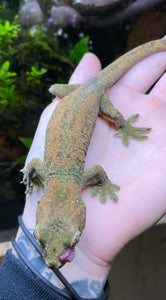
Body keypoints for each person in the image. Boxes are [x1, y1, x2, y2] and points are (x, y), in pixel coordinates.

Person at [0, 43, 166, 299]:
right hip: (77, 96)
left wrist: (122, 129)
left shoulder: (77, 181)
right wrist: (30, 175)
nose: (52, 259)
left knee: (106, 110)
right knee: (56, 90)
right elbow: (34, 166)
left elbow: (98, 172)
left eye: (42, 240)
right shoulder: (47, 176)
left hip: (93, 96)